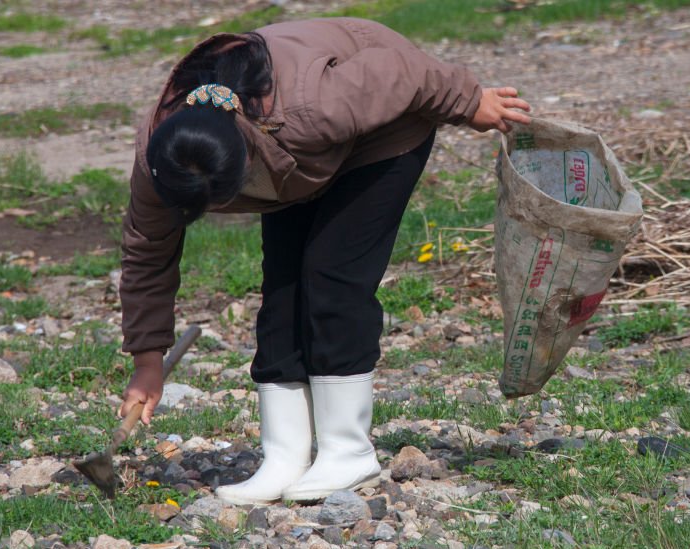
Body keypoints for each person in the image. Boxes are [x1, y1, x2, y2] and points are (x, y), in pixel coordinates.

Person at [118, 17, 531, 505]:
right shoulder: (161, 158)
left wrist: (470, 101)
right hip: (296, 158)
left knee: (333, 279)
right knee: (284, 293)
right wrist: (148, 360)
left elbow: (402, 71)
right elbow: (148, 251)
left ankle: (347, 451)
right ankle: (285, 456)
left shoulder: (317, 106)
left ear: (243, 160)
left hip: (381, 133)